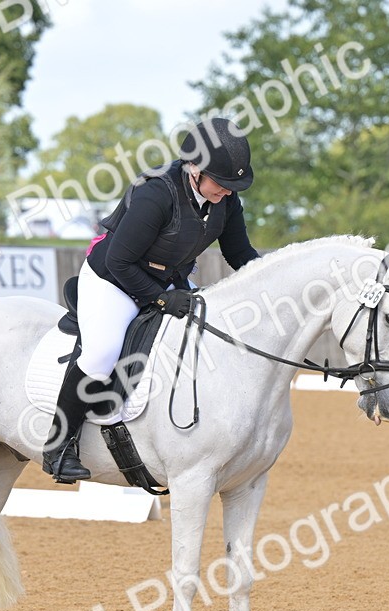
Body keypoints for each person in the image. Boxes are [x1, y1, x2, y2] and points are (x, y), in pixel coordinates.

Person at [43, 117, 261, 482]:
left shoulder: (225, 200)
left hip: (169, 280)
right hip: (112, 281)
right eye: (221, 184)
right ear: (194, 169)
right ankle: (58, 445)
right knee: (101, 354)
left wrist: (270, 277)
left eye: (232, 186)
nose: (227, 192)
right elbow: (119, 261)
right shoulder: (156, 193)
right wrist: (161, 300)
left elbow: (239, 252)